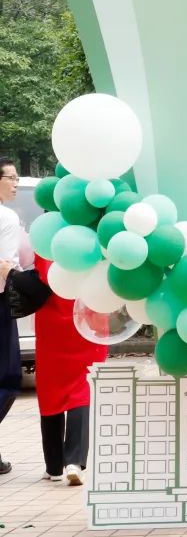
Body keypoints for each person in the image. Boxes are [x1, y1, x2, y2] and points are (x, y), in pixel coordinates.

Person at [34, 253, 108, 485]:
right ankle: (74, 461)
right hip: (88, 314)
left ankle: (54, 465)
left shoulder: (45, 244)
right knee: (82, 388)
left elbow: (40, 275)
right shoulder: (94, 239)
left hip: (51, 319)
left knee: (50, 388)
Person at [0, 158, 24, 474]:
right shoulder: (6, 217)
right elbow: (4, 266)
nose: (16, 184)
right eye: (11, 177)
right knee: (8, 377)